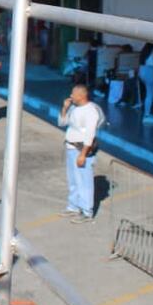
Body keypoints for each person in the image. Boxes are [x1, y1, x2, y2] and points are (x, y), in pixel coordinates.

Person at [59, 84, 102, 224]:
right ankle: (73, 206)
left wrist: (83, 154)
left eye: (73, 94)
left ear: (82, 96)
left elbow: (90, 135)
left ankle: (86, 212)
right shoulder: (73, 108)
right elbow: (62, 122)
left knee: (84, 181)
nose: (71, 96)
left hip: (81, 149)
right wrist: (65, 108)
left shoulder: (91, 111)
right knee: (73, 179)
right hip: (70, 147)